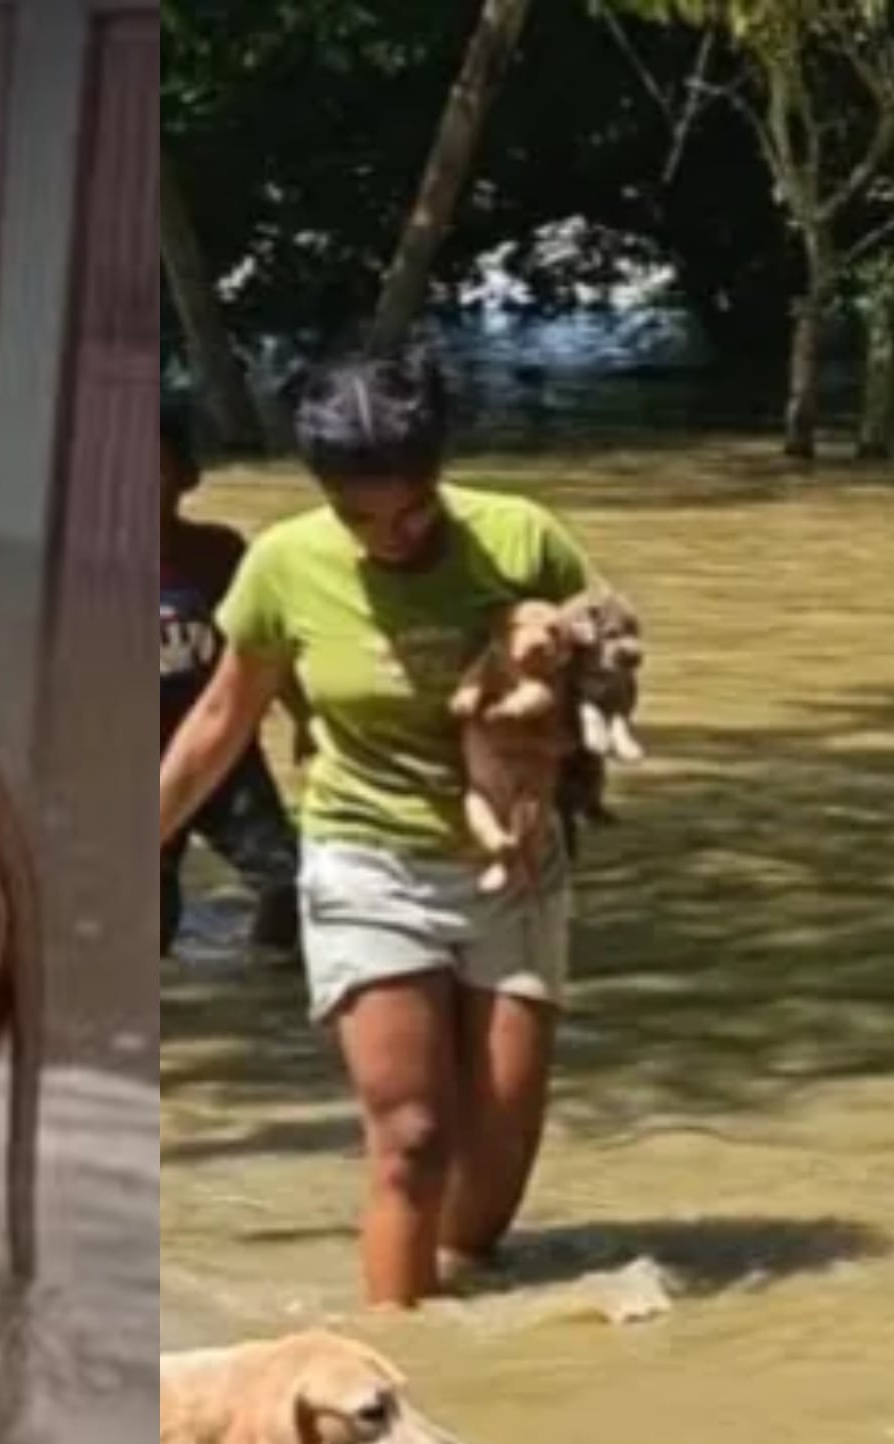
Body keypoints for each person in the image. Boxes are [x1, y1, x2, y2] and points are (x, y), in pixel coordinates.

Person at [158, 347, 595, 1309]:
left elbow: (599, 673)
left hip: (512, 864)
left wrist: (559, 724)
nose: (393, 535)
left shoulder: (521, 538)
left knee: (498, 1153)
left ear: (441, 470)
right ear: (322, 493)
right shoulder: (283, 564)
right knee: (411, 1139)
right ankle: (390, 1371)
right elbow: (221, 722)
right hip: (365, 861)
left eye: (414, 507)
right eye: (361, 516)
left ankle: (464, 1303)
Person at [161, 397, 303, 959]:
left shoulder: (218, 553)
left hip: (224, 753)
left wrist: (307, 720)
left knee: (288, 882)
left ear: (186, 475)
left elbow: (267, 645)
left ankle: (270, 975)